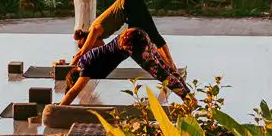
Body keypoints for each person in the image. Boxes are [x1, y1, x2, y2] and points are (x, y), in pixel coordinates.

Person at [59, 25, 193, 107]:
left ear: (78, 76)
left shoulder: (85, 67)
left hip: (129, 41)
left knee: (159, 72)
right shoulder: (84, 60)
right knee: (164, 67)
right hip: (136, 33)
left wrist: (58, 108)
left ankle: (188, 99)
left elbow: (72, 92)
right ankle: (189, 96)